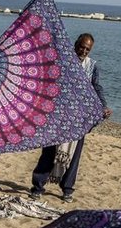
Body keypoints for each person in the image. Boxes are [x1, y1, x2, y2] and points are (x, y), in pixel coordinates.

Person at [29, 33, 113, 203]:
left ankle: (67, 189)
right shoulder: (63, 61)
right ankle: (38, 186)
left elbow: (96, 87)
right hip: (57, 116)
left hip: (78, 118)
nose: (83, 50)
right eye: (81, 46)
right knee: (49, 151)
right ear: (75, 44)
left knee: (74, 155)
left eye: (87, 49)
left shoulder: (92, 66)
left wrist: (103, 106)